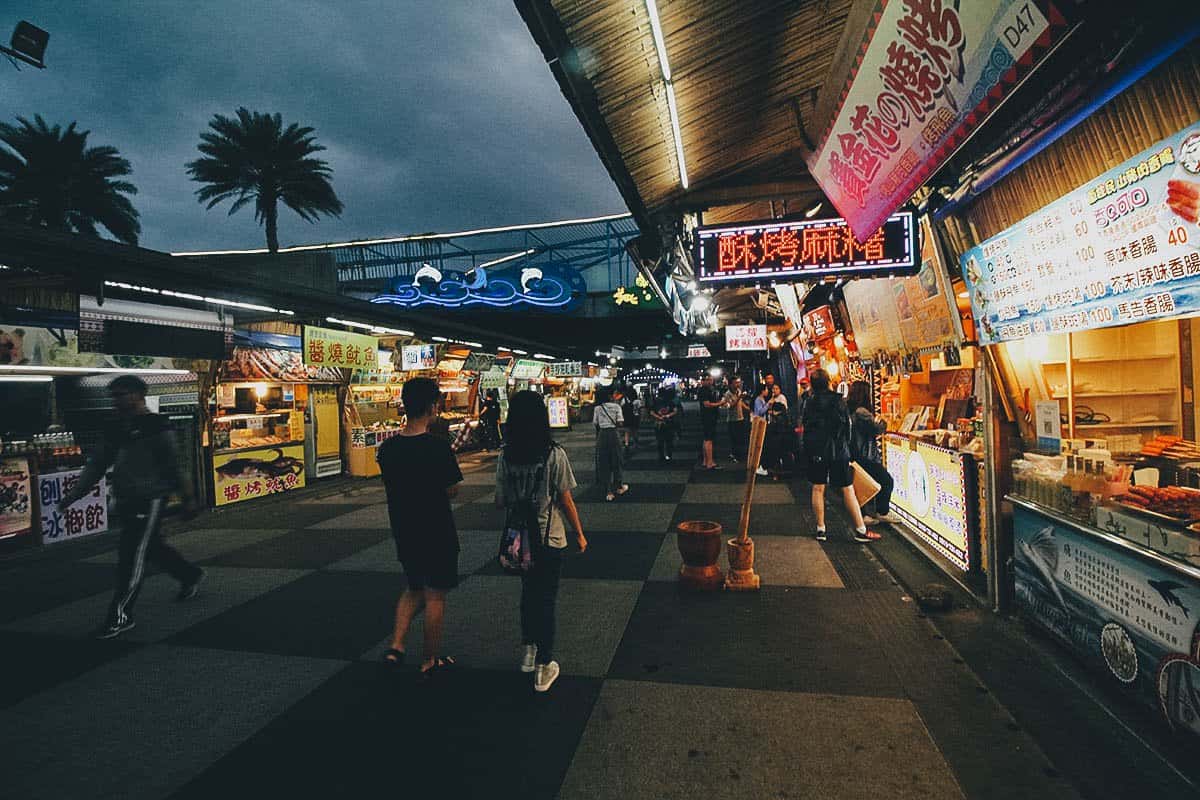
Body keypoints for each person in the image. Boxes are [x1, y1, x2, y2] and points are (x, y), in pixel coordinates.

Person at [57, 376, 204, 639]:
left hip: (150, 499)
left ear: (138, 395)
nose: (116, 400)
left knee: (132, 555)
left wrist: (188, 497)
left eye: (121, 395)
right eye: (113, 396)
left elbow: (175, 465)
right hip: (126, 499)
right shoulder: (115, 427)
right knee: (152, 547)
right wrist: (74, 495)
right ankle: (189, 574)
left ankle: (120, 615)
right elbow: (97, 465)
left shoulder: (157, 426)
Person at [495, 390, 587, 693]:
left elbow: (501, 500)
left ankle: (529, 650)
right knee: (546, 599)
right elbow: (565, 498)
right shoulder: (553, 454)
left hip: (519, 539)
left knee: (527, 594)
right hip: (549, 538)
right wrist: (580, 533)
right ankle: (544, 666)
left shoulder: (506, 455)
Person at [377, 377, 463, 677]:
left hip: (404, 528)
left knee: (414, 587)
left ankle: (397, 646)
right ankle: (430, 659)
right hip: (437, 529)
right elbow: (452, 489)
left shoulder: (387, 450)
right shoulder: (438, 447)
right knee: (435, 594)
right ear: (432, 406)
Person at [802, 369, 875, 543]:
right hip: (838, 451)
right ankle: (860, 529)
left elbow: (806, 425)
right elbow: (846, 427)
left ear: (812, 384)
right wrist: (848, 449)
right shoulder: (838, 400)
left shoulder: (809, 402)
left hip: (817, 451)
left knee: (818, 488)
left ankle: (821, 529)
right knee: (847, 488)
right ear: (829, 382)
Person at [846, 380, 897, 525]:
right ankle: (880, 512)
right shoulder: (862, 412)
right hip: (865, 455)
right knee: (886, 481)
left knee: (862, 485)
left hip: (854, 454)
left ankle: (867, 514)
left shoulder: (849, 410)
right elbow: (876, 429)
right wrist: (884, 422)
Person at [593, 386, 628, 501]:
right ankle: (619, 486)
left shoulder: (597, 408)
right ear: (609, 396)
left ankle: (608, 491)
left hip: (602, 435)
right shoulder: (616, 406)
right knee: (617, 460)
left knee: (604, 461)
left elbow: (596, 423)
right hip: (613, 434)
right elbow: (621, 423)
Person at [698, 374, 722, 470]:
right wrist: (720, 403)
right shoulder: (704, 390)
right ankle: (710, 462)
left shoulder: (707, 390)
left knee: (706, 439)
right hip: (708, 417)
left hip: (708, 416)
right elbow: (707, 404)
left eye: (711, 379)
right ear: (703, 381)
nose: (710, 381)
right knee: (709, 440)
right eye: (708, 380)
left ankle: (705, 461)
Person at [723, 377, 749, 462]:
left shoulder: (739, 392)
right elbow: (731, 406)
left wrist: (749, 409)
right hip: (732, 420)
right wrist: (739, 397)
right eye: (735, 383)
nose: (737, 384)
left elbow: (740, 403)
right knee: (734, 439)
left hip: (740, 418)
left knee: (741, 438)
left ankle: (740, 455)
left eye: (738, 383)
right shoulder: (727, 394)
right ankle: (735, 456)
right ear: (730, 384)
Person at [650, 387, 680, 462]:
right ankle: (668, 455)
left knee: (660, 441)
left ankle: (662, 456)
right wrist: (668, 416)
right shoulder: (670, 401)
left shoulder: (656, 401)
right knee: (668, 440)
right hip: (669, 423)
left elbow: (651, 412)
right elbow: (675, 411)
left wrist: (658, 417)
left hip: (659, 423)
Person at [621, 386, 641, 453]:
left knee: (627, 431)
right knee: (635, 431)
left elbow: (622, 407)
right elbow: (639, 409)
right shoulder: (637, 401)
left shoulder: (624, 400)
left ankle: (627, 444)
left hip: (627, 417)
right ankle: (636, 443)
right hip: (635, 417)